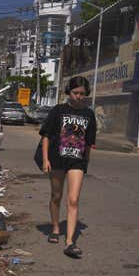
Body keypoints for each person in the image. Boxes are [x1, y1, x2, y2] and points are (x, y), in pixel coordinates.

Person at [39, 76, 96, 259]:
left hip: (76, 162)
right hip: (56, 159)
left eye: (82, 94)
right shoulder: (58, 110)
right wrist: (45, 159)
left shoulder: (89, 114)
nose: (79, 96)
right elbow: (46, 135)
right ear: (68, 92)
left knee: (73, 200)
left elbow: (88, 143)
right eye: (75, 93)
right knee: (56, 195)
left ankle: (70, 241)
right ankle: (55, 228)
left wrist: (85, 163)